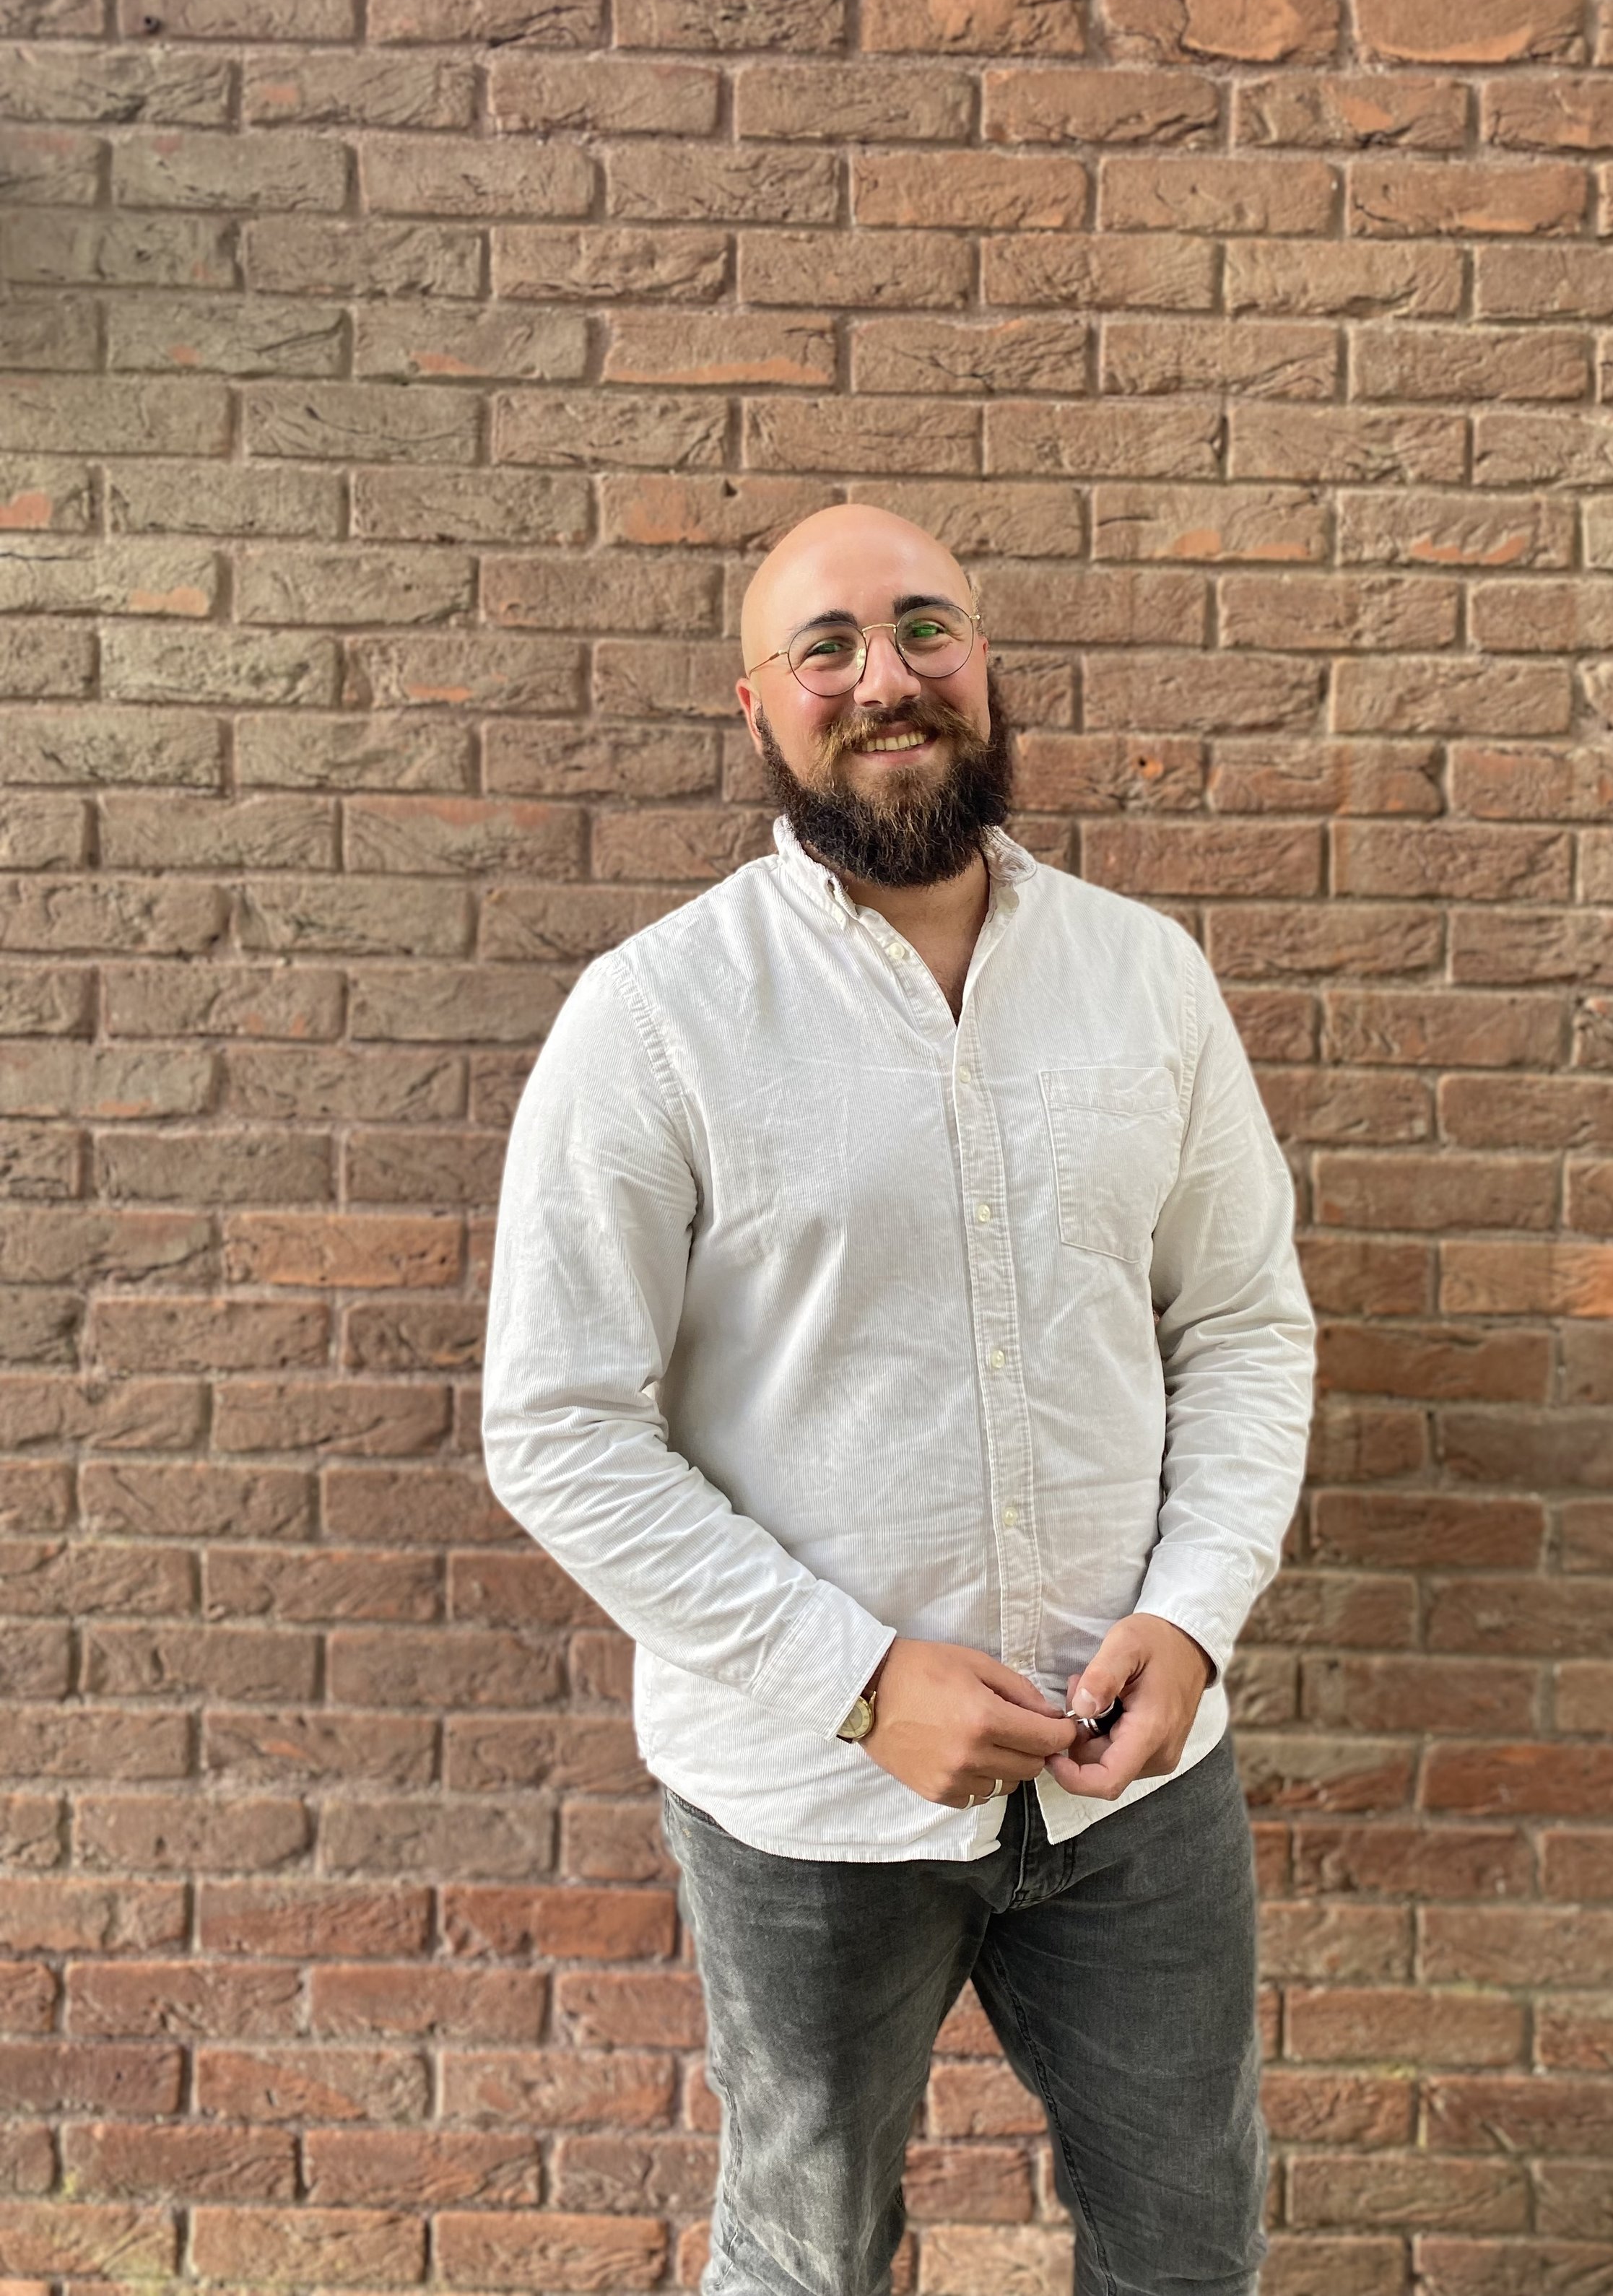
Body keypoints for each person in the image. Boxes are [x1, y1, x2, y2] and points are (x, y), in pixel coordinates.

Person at [482, 503, 1316, 2296]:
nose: (888, 676)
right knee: (805, 2254)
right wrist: (854, 1683)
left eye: (925, 627)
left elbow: (1241, 1322)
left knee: (1190, 2242)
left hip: (1135, 1789)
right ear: (758, 705)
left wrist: (1191, 1613)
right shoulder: (654, 1018)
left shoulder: (1143, 976)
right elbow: (554, 1422)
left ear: (985, 665)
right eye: (829, 645)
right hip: (801, 1804)